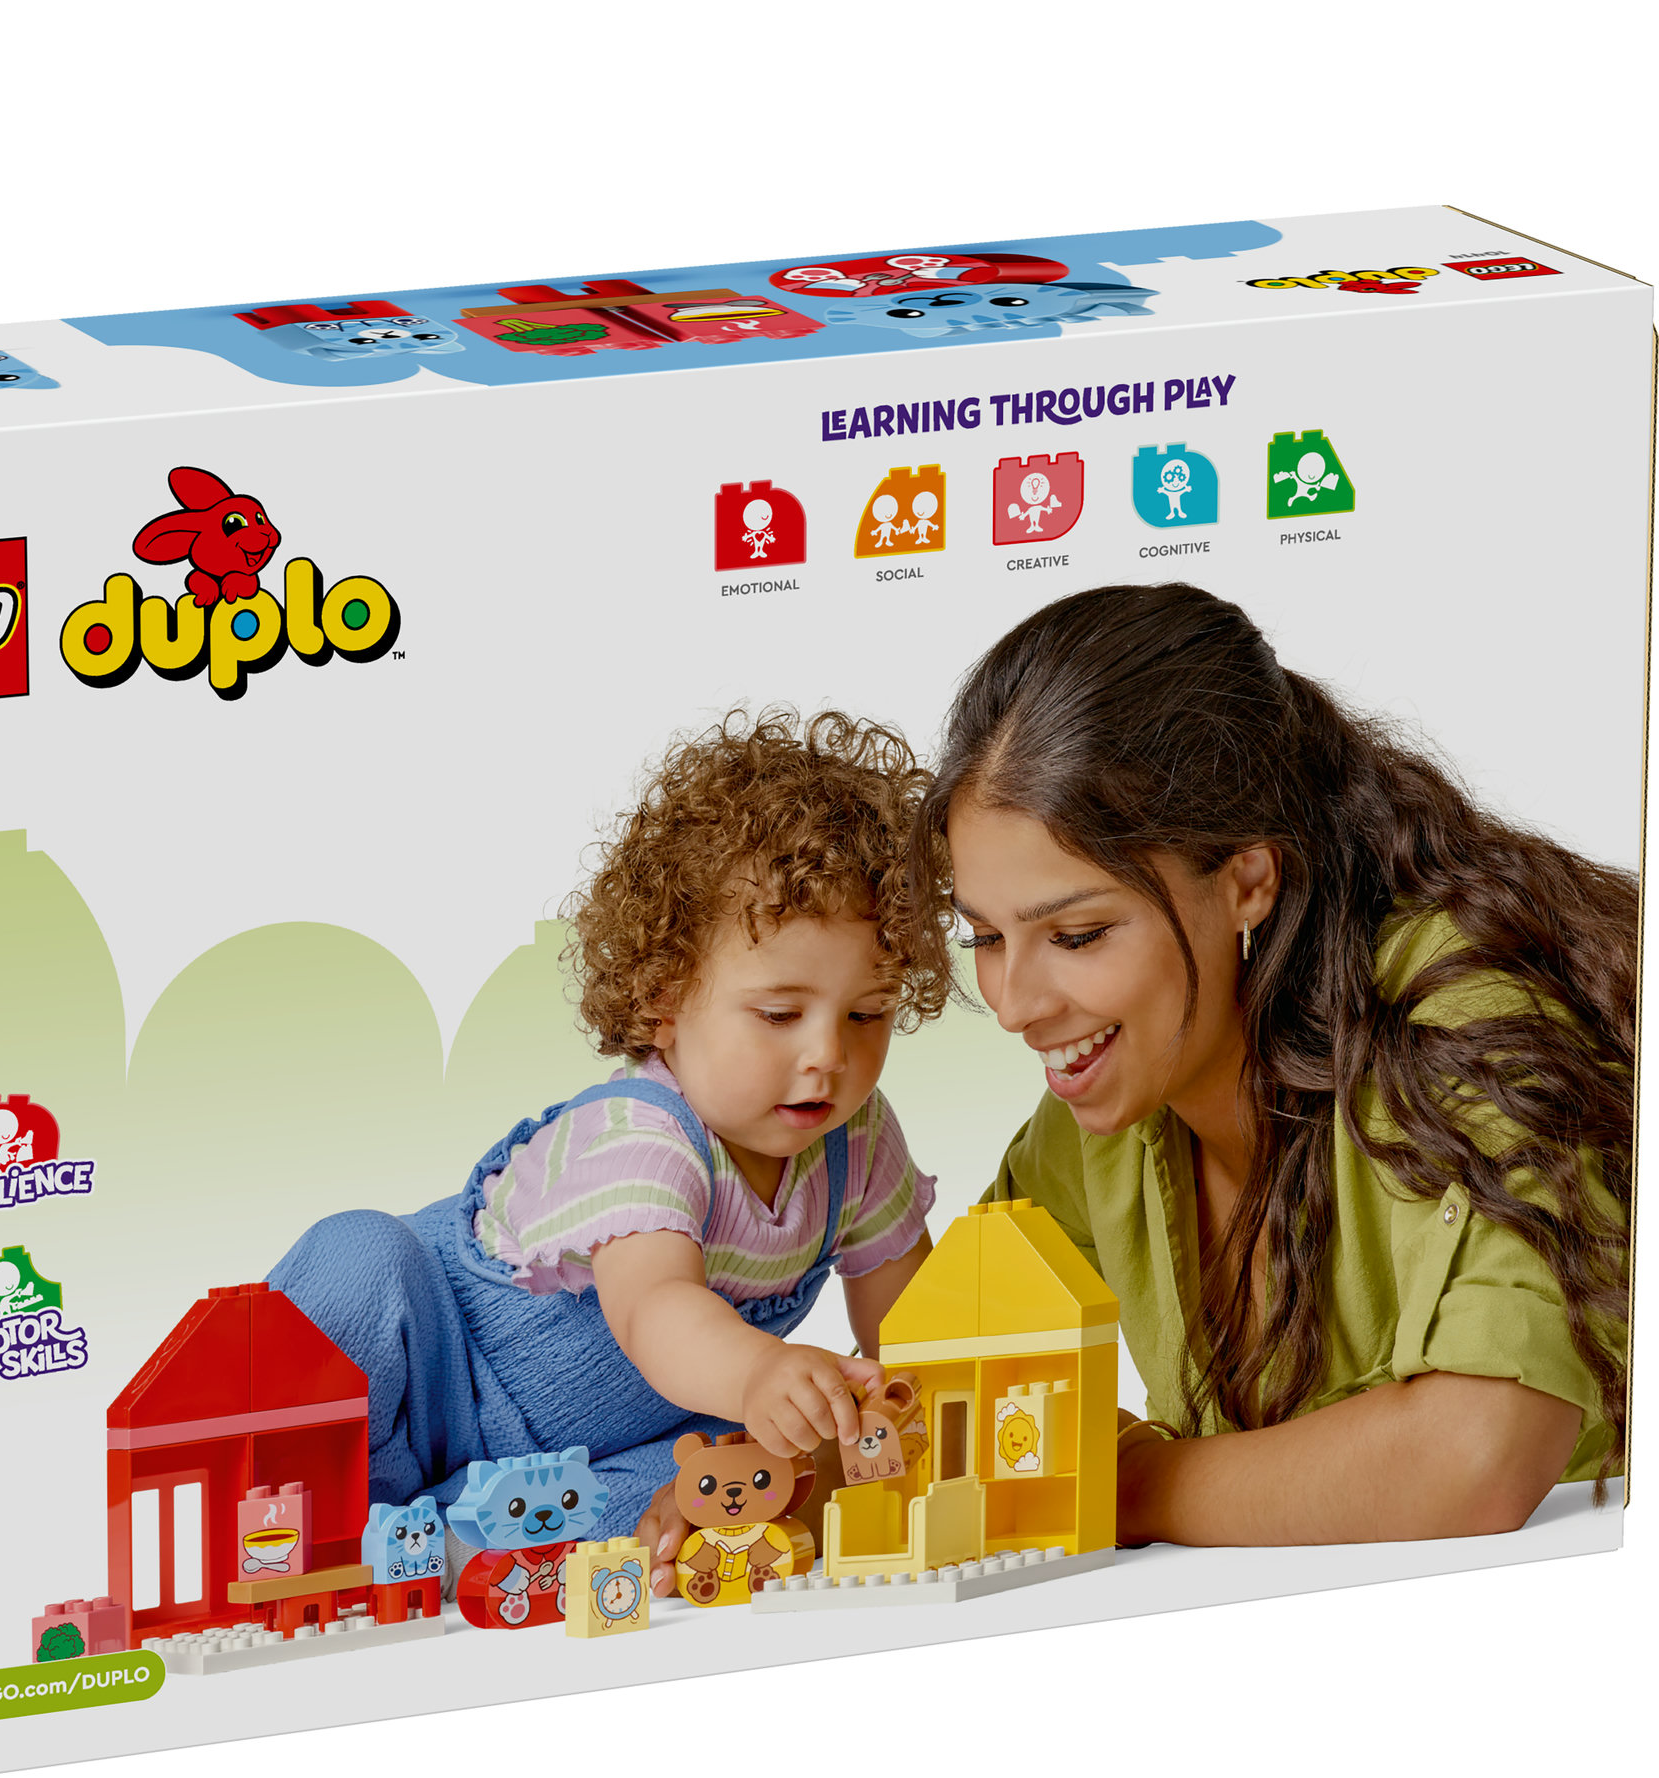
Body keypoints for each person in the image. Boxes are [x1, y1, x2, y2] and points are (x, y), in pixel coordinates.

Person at [927, 582, 1630, 1545]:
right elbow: (939, 1382)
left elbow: (1475, 1455)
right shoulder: (1102, 1117)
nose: (1013, 1005)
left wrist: (1127, 1485)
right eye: (985, 937)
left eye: (1078, 935)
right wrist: (782, 1454)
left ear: (1247, 881)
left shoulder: (1456, 1014)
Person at [270, 709, 948, 1541]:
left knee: (727, 1480)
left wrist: (920, 1410)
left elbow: (916, 1328)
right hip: (432, 1364)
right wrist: (762, 1371)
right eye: (779, 1014)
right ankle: (288, 1499)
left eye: (867, 1013)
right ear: (665, 1000)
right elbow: (657, 1309)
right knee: (358, 1259)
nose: (828, 1056)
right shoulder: (644, 1137)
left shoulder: (859, 1144)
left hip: (581, 1459)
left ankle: (442, 1542)